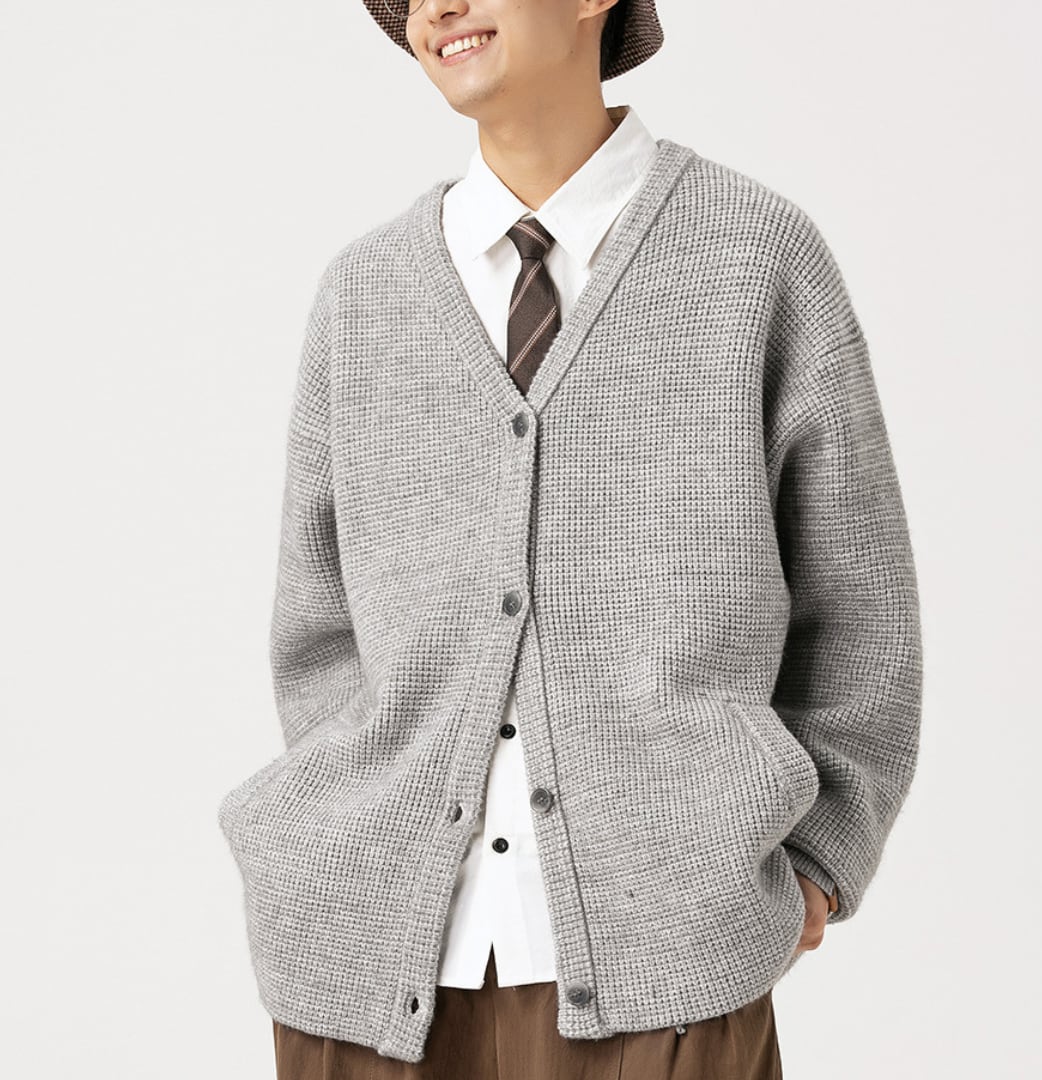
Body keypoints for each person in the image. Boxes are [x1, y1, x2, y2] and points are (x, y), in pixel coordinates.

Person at [217, 2, 923, 1078]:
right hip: (363, 983)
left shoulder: (752, 259)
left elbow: (860, 603)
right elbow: (318, 636)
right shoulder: (364, 293)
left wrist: (823, 855)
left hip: (670, 974)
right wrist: (349, 847)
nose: (438, 7)